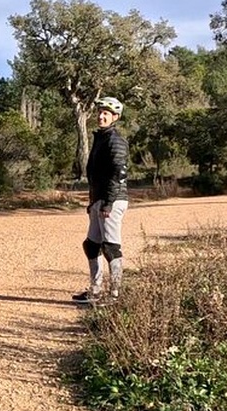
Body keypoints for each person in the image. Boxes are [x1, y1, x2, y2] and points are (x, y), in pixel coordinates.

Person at [72, 96, 129, 305]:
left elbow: (118, 174)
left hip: (112, 200)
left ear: (115, 117)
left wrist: (108, 202)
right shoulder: (101, 138)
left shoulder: (115, 140)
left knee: (111, 247)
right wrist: (93, 201)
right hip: (99, 199)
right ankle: (95, 290)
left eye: (106, 113)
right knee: (91, 245)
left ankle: (115, 295)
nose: (101, 116)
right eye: (100, 112)